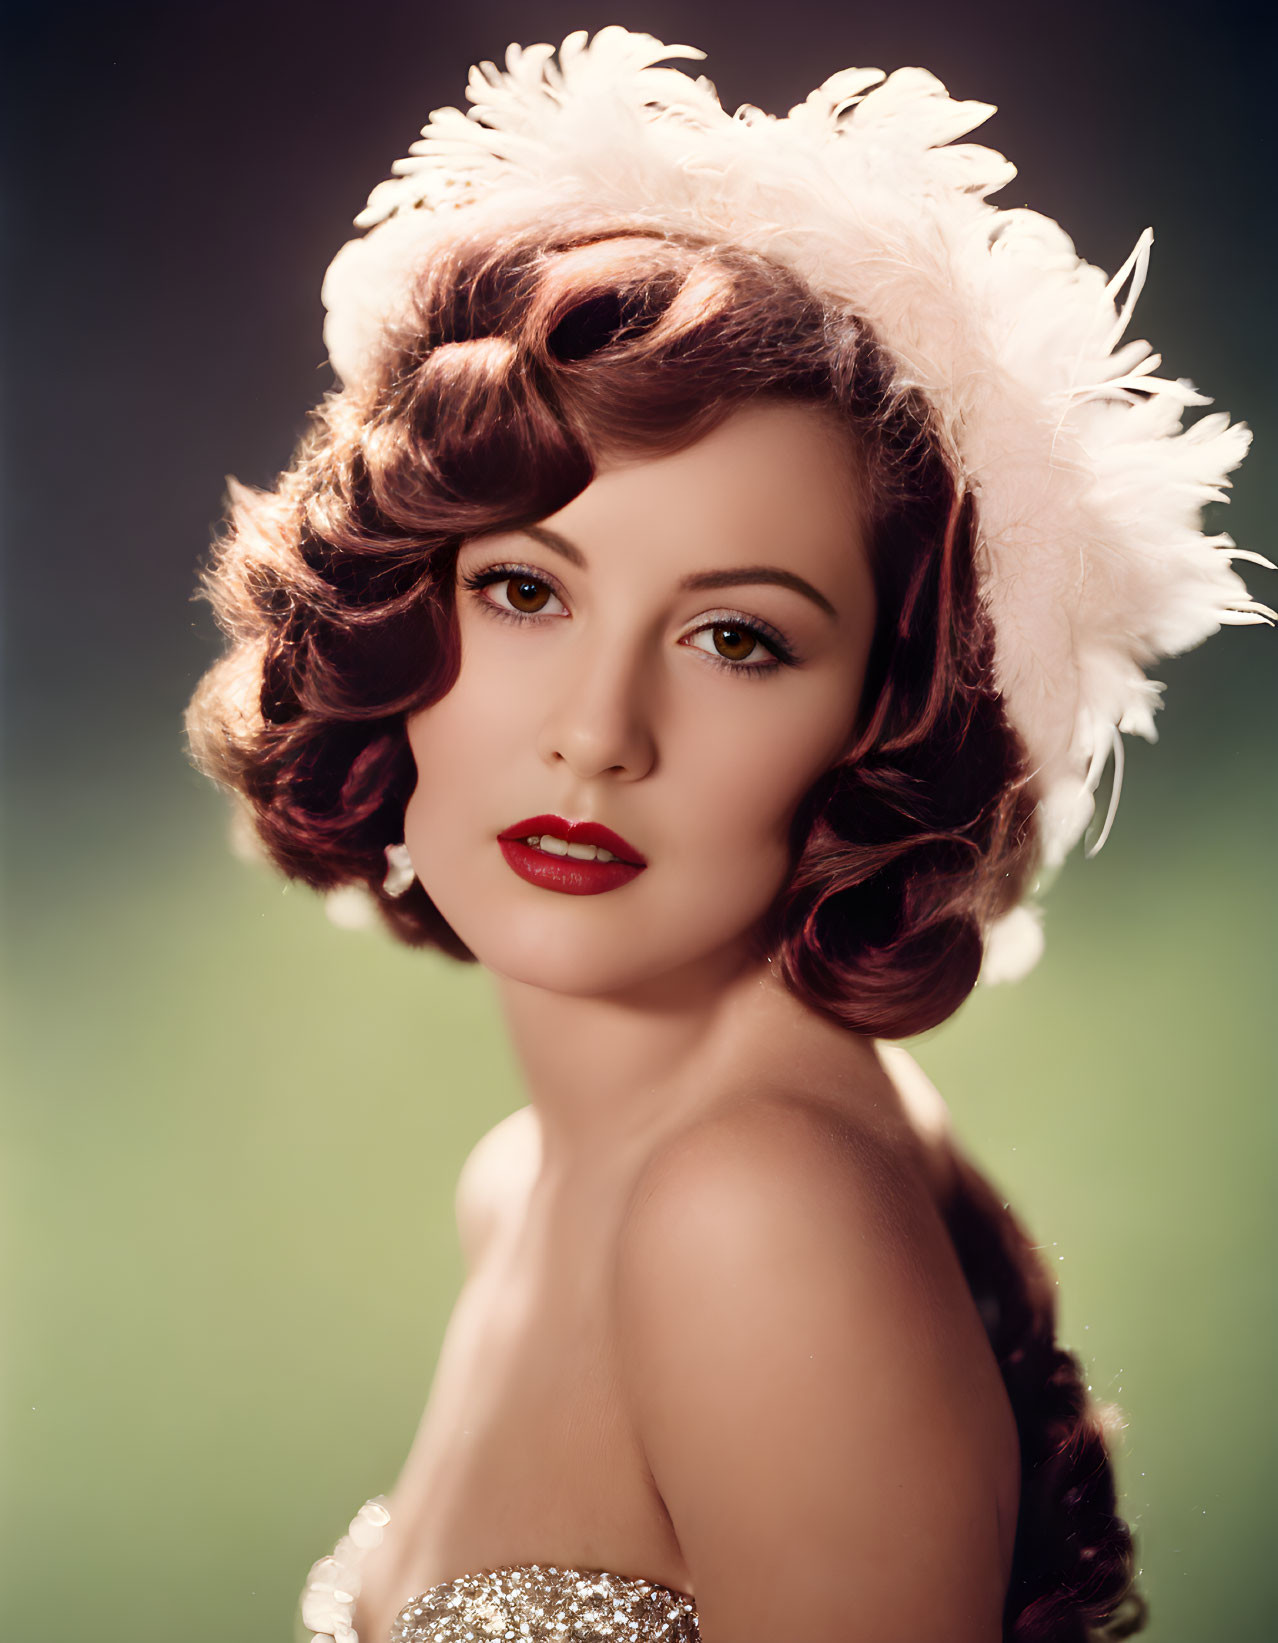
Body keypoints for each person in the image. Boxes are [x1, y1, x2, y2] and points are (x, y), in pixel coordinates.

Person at [185, 28, 1269, 1643]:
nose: (598, 733)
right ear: (403, 610)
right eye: (526, 589)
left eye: (738, 638)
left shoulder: (754, 1216)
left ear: (879, 719)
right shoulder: (531, 1178)